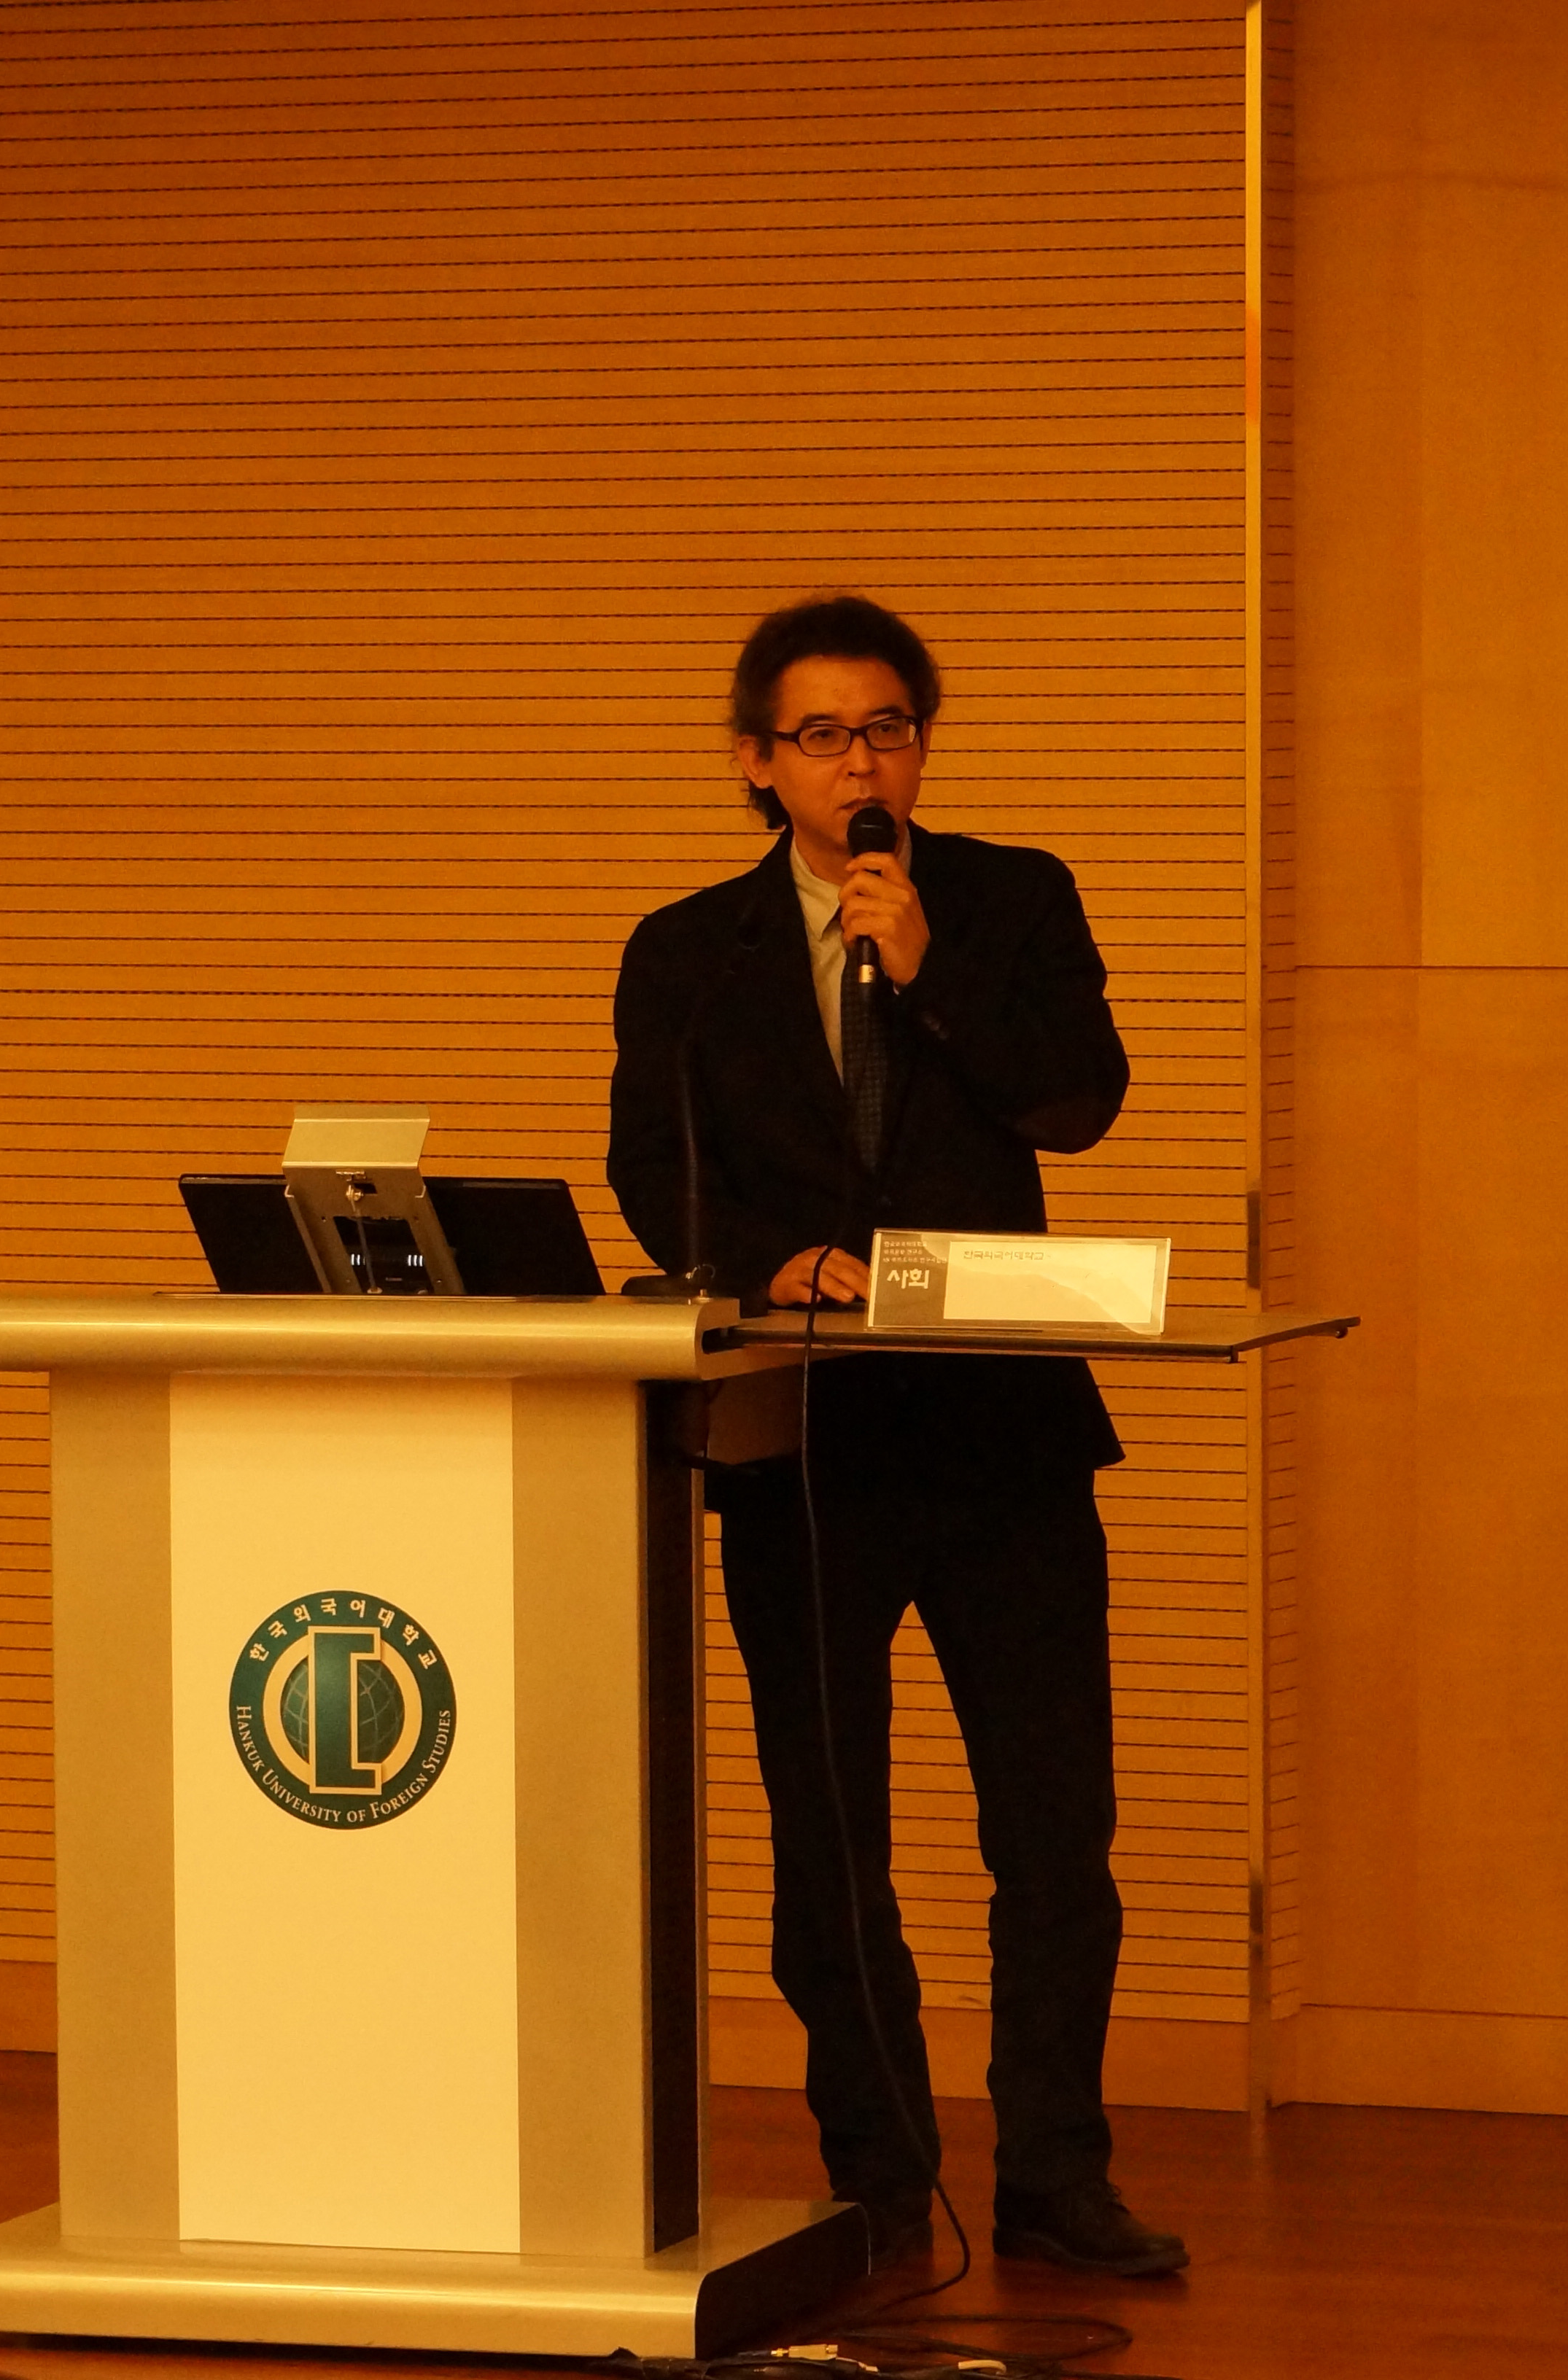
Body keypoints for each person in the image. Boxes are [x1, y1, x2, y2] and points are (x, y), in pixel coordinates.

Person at [606, 594, 1185, 2278]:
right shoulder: (688, 949)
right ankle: (877, 2173)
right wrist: (761, 1260)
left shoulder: (1009, 899)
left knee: (1052, 1832)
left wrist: (929, 974)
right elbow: (652, 1167)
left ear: (918, 747)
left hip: (1003, 1436)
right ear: (755, 762)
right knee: (827, 1840)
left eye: (886, 730)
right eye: (821, 736)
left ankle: (1055, 2175)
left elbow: (1075, 1102)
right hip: (805, 1445)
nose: (858, 764)